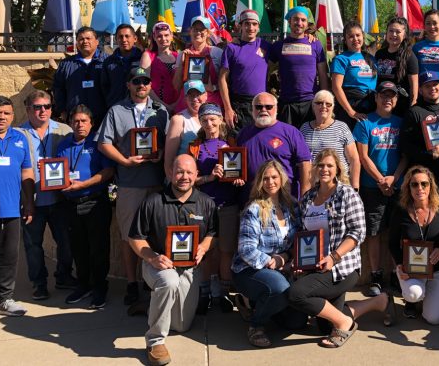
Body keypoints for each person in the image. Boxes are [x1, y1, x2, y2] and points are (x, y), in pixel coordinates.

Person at [289, 149, 395, 348]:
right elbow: (303, 233)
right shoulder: (307, 198)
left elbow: (358, 232)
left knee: (296, 294)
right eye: (321, 165)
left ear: (338, 168)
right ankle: (380, 302)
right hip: (315, 266)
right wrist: (299, 260)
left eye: (329, 165)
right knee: (323, 326)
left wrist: (333, 257)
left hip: (341, 267)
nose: (325, 169)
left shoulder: (347, 194)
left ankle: (344, 322)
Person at [128, 154, 217, 366]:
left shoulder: (206, 203)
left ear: (196, 175)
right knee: (168, 282)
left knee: (182, 325)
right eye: (179, 172)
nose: (184, 177)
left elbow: (213, 233)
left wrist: (204, 247)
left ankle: (154, 306)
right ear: (170, 173)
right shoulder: (152, 201)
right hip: (158, 265)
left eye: (188, 172)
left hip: (189, 269)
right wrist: (151, 257)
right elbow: (135, 238)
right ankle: (155, 341)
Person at [97, 67, 169, 305]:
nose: (141, 85)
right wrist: (124, 161)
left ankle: (152, 282)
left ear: (150, 85)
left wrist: (159, 154)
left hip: (156, 183)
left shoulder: (161, 112)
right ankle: (131, 283)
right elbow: (104, 143)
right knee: (129, 236)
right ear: (128, 84)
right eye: (136, 81)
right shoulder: (116, 111)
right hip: (129, 183)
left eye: (145, 81)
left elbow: (169, 142)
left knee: (156, 236)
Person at [232, 160, 306, 347]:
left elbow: (299, 240)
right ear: (260, 182)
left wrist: (286, 258)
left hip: (281, 268)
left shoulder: (293, 206)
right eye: (265, 178)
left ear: (282, 178)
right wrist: (272, 263)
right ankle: (256, 325)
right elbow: (246, 250)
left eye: (274, 177)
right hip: (249, 269)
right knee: (280, 287)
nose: (270, 182)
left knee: (296, 322)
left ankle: (257, 304)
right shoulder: (254, 209)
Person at [17, 90, 76, 300]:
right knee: (33, 245)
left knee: (66, 241)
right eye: (38, 107)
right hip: (31, 199)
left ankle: (63, 276)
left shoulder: (64, 130)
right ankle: (39, 283)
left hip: (59, 199)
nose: (43, 111)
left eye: (47, 106)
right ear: (28, 109)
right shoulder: (18, 134)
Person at [354, 81, 409, 296]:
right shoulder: (365, 122)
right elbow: (362, 156)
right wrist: (380, 180)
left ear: (396, 100)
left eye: (391, 96)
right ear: (376, 97)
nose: (387, 99)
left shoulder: (401, 122)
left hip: (397, 185)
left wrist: (393, 180)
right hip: (372, 186)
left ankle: (397, 272)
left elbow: (405, 156)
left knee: (397, 230)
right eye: (383, 95)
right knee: (374, 232)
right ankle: (376, 274)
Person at [56, 105, 115, 308]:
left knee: (98, 248)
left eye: (84, 121)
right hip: (71, 204)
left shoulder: (99, 143)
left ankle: (99, 287)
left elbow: (107, 171)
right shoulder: (63, 145)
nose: (79, 124)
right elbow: (56, 171)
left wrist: (84, 184)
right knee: (78, 248)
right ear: (70, 123)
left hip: (95, 202)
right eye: (76, 121)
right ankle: (83, 284)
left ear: (91, 123)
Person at [188, 102, 242, 313]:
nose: (209, 124)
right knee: (205, 251)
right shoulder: (195, 146)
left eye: (213, 119)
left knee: (226, 250)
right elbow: (188, 180)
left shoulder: (232, 143)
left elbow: (241, 172)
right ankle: (204, 292)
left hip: (228, 204)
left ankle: (223, 293)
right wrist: (210, 177)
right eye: (204, 120)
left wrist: (238, 178)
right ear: (200, 122)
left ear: (220, 119)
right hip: (204, 206)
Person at [390, 166, 439, 323]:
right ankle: (412, 301)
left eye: (424, 184)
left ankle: (434, 296)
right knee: (414, 294)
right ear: (408, 187)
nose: (419, 188)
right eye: (414, 184)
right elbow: (393, 243)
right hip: (412, 269)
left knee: (434, 318)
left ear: (431, 186)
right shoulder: (400, 211)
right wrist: (400, 265)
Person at [0, 96, 34, 316]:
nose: (1, 117)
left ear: (13, 116)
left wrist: (29, 202)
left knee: (8, 257)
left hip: (11, 209)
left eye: (6, 113)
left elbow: (27, 172)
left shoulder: (20, 138)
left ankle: (4, 300)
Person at [236, 92, 312, 199]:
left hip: (285, 198)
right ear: (252, 109)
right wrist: (236, 175)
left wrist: (305, 194)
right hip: (254, 199)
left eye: (268, 107)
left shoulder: (290, 132)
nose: (263, 110)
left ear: (276, 109)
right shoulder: (243, 134)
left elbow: (305, 163)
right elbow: (237, 164)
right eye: (258, 107)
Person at [401, 71, 439, 204]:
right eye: (428, 86)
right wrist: (429, 154)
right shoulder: (414, 112)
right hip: (426, 177)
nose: (433, 88)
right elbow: (405, 145)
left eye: (436, 84)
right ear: (420, 90)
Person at [268, 6, 329, 127]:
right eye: (295, 19)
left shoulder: (315, 44)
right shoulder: (279, 45)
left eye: (303, 20)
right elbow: (265, 70)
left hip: (311, 102)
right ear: (289, 21)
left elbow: (323, 75)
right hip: (287, 103)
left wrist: (325, 100)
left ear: (307, 24)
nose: (299, 23)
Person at [219, 9, 270, 136]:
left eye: (254, 24)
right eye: (247, 23)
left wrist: (309, 35)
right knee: (239, 145)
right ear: (240, 26)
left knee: (261, 142)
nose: (250, 27)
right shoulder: (231, 48)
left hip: (261, 104)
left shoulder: (266, 45)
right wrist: (228, 109)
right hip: (239, 105)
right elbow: (222, 79)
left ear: (258, 27)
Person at [300, 90, 360, 188]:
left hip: (338, 184)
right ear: (313, 106)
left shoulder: (342, 127)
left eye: (328, 104)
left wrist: (355, 187)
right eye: (319, 103)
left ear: (333, 107)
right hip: (313, 186)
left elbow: (354, 159)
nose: (324, 106)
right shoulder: (304, 128)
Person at [53, 26, 108, 125]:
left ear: (97, 41)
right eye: (81, 39)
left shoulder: (107, 62)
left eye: (88, 38)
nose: (85, 41)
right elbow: (58, 89)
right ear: (77, 42)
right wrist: (62, 111)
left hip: (103, 120)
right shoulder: (66, 64)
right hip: (76, 121)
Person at [331, 21, 378, 128]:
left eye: (358, 35)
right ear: (345, 40)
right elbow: (336, 87)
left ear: (363, 36)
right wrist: (351, 112)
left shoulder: (371, 59)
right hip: (351, 107)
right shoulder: (341, 59)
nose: (355, 39)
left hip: (371, 105)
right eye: (351, 36)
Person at [172, 16, 224, 109]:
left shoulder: (217, 53)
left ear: (208, 33)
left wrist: (213, 88)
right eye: (195, 29)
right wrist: (182, 65)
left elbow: (227, 82)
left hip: (211, 105)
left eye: (202, 29)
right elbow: (176, 86)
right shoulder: (182, 54)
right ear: (190, 31)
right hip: (188, 105)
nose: (198, 32)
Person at [375, 16, 419, 116]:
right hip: (381, 104)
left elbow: (414, 88)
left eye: (398, 32)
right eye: (391, 31)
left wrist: (412, 107)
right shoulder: (379, 54)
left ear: (404, 35)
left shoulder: (410, 56)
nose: (394, 34)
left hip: (401, 106)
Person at [164, 80, 205, 181]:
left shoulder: (214, 117)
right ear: (185, 98)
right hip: (184, 181)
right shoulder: (178, 119)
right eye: (190, 95)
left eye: (198, 94)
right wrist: (173, 184)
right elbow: (169, 160)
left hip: (207, 180)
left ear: (206, 95)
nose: (195, 99)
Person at [140, 21, 179, 112]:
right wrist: (164, 106)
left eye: (166, 35)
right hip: (155, 106)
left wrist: (176, 105)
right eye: (159, 36)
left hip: (178, 106)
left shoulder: (179, 56)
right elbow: (144, 84)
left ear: (171, 36)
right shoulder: (148, 56)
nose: (163, 39)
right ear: (154, 37)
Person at [102, 23, 143, 109]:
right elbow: (104, 87)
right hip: (115, 107)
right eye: (120, 37)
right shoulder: (108, 62)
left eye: (127, 36)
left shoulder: (143, 59)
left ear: (135, 38)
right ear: (116, 39)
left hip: (139, 107)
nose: (124, 40)